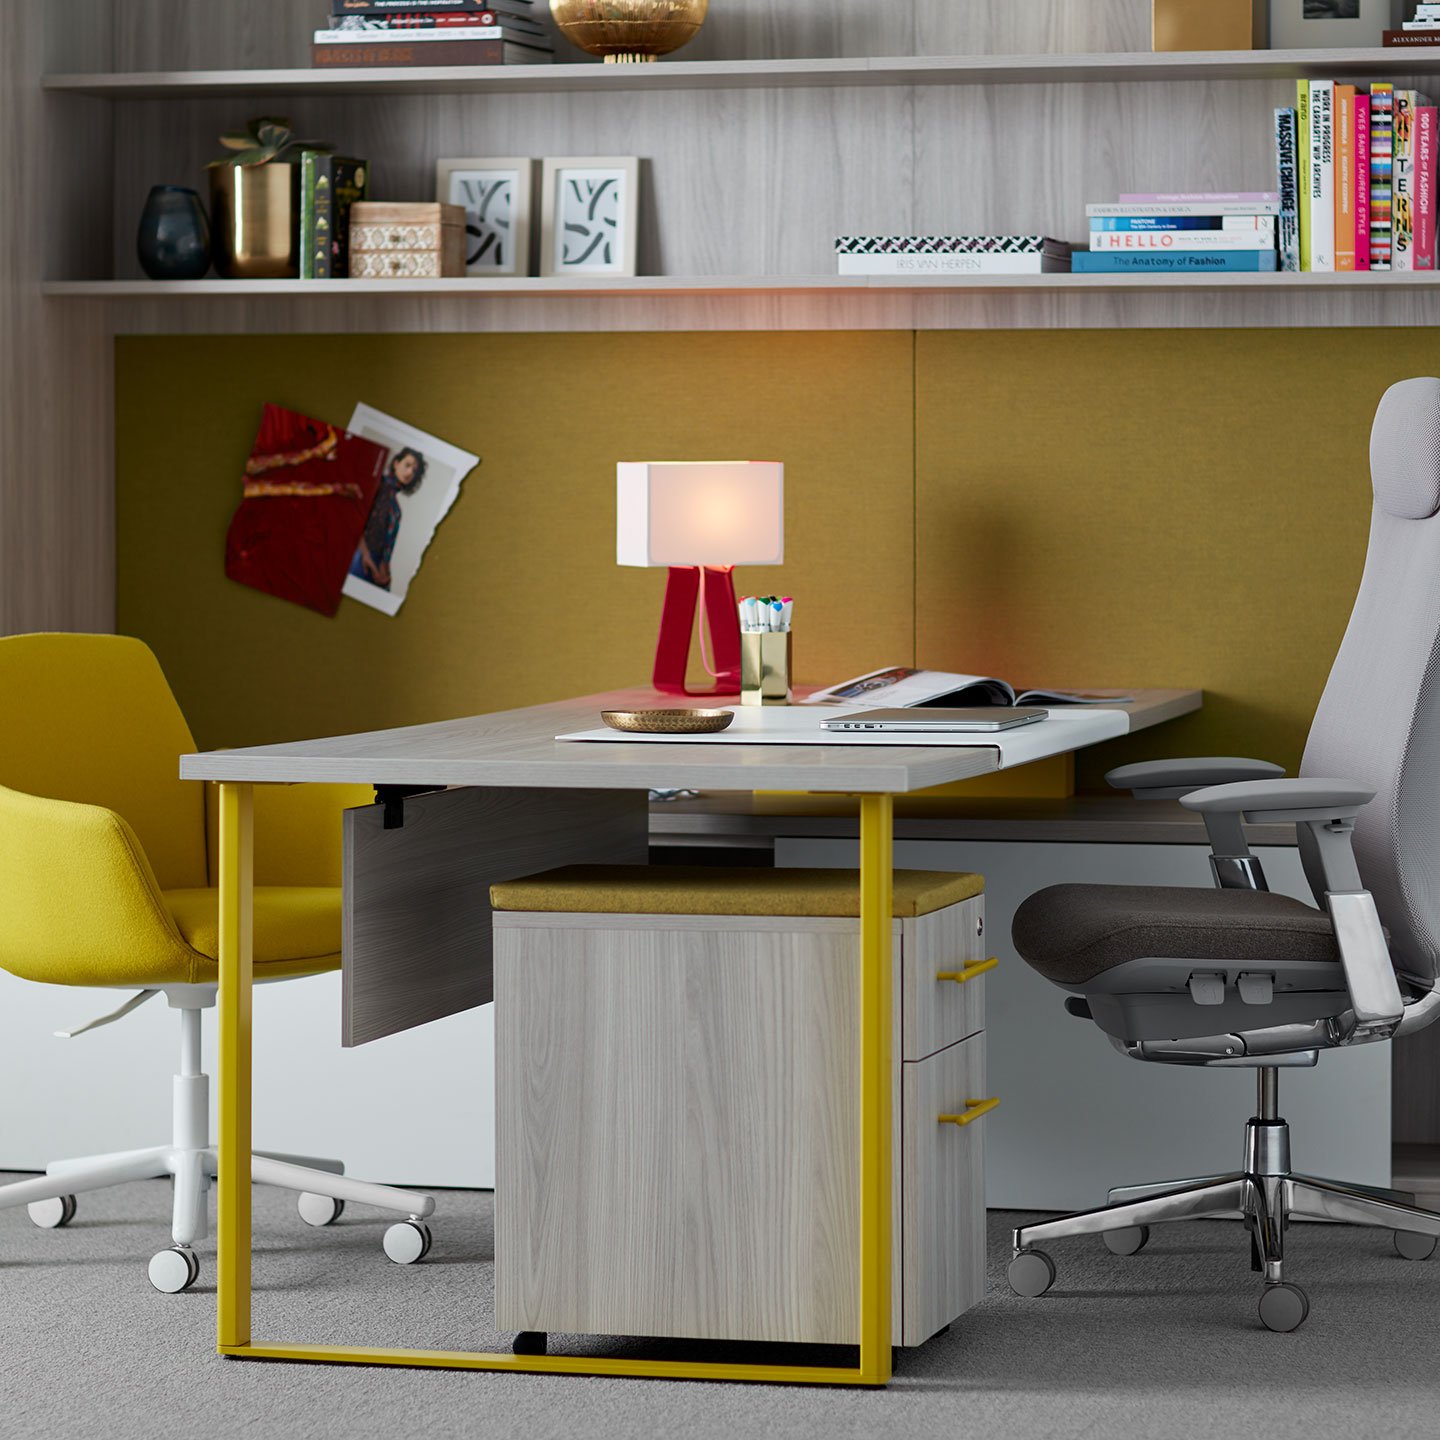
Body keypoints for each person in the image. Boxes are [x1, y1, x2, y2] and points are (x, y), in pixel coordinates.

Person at [350, 447, 426, 591]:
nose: (410, 472)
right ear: (396, 463)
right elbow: (353, 518)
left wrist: (386, 575)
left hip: (378, 567)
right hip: (360, 557)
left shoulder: (396, 508)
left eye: (414, 471)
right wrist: (364, 554)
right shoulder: (376, 484)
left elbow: (387, 545)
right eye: (407, 465)